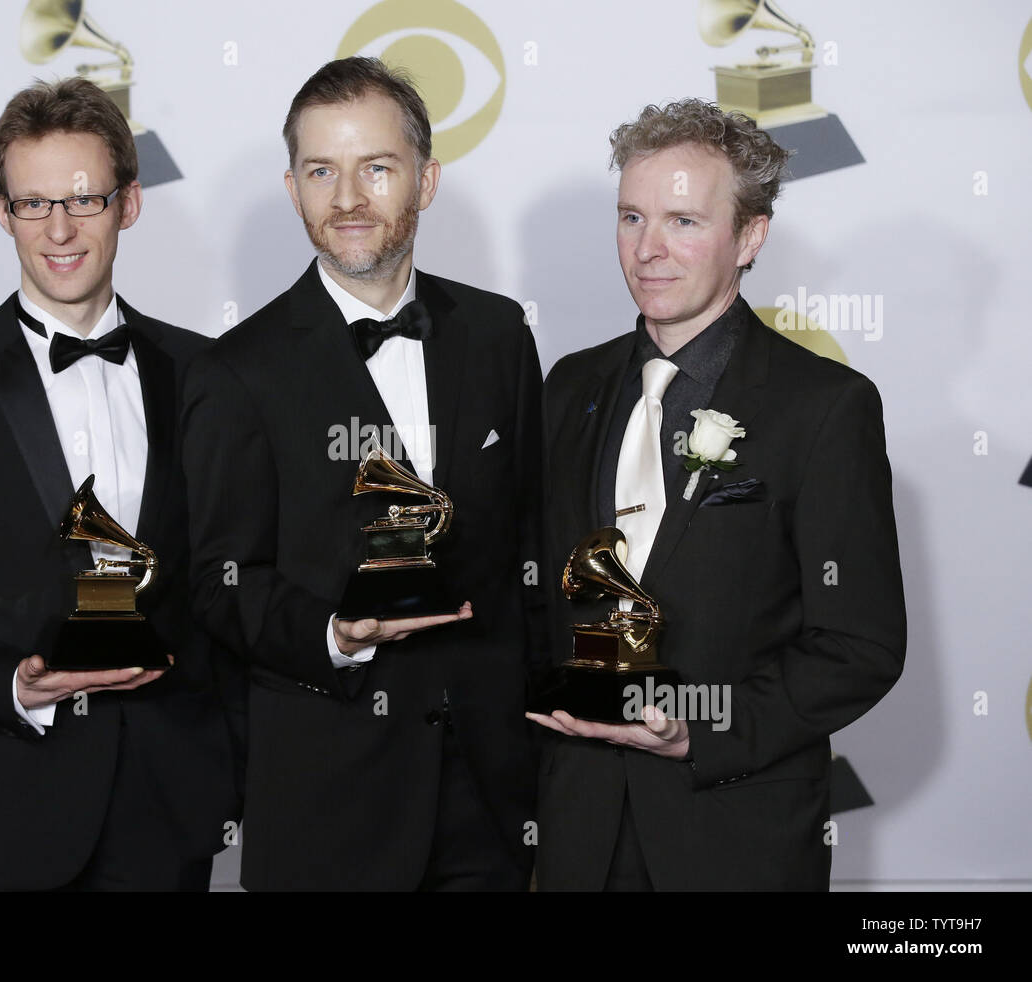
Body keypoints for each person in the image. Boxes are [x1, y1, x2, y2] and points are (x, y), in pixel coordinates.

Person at [0, 78, 240, 891]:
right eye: (33, 204)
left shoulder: (207, 371)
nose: (59, 230)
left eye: (84, 200)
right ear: (4, 213)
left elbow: (230, 582)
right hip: (5, 804)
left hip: (169, 811)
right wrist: (13, 683)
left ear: (128, 204)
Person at [181, 57, 545, 891]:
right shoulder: (236, 372)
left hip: (493, 801)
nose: (348, 198)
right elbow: (218, 582)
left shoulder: (498, 335)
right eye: (322, 172)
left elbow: (531, 543)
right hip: (326, 808)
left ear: (426, 178)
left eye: (376, 168)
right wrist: (334, 634)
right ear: (293, 187)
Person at [528, 98, 906, 890]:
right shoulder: (570, 386)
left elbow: (859, 647)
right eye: (631, 218)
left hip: (737, 836)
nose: (649, 250)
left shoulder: (825, 406)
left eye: (684, 221)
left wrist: (702, 728)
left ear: (751, 235)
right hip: (576, 833)